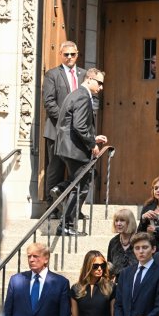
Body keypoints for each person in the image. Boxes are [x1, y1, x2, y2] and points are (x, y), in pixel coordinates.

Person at [54, 67, 108, 236]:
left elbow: (74, 124)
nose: (101, 87)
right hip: (74, 149)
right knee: (81, 186)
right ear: (89, 79)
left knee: (83, 178)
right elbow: (79, 125)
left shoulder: (75, 94)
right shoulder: (84, 96)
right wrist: (92, 144)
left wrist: (93, 137)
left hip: (67, 147)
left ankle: (60, 188)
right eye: (99, 83)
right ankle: (66, 225)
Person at [43, 41, 85, 200]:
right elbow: (49, 102)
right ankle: (51, 207)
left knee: (79, 171)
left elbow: (92, 100)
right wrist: (66, 119)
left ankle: (74, 208)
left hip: (79, 131)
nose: (69, 57)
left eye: (72, 54)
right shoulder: (52, 75)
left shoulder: (85, 74)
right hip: (57, 130)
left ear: (77, 54)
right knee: (56, 169)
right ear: (61, 55)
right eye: (66, 54)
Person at [114, 232, 159, 316]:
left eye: (145, 247)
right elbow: (118, 306)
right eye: (137, 248)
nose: (141, 251)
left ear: (153, 249)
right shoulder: (125, 273)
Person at [106, 208, 138, 276]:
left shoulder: (138, 240)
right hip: (118, 283)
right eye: (116, 221)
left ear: (130, 222)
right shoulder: (113, 242)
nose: (118, 224)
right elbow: (109, 264)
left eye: (122, 220)